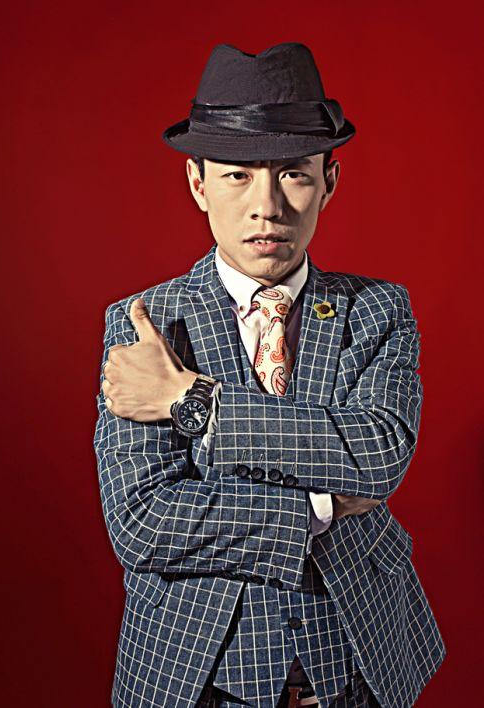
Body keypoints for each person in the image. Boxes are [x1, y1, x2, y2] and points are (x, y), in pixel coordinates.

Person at [93, 42, 446, 708]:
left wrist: (193, 400)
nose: (268, 206)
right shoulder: (144, 324)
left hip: (357, 651)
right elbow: (142, 520)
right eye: (237, 175)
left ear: (328, 182)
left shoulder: (377, 308)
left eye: (292, 174)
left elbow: (378, 454)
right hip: (196, 665)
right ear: (198, 183)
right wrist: (317, 507)